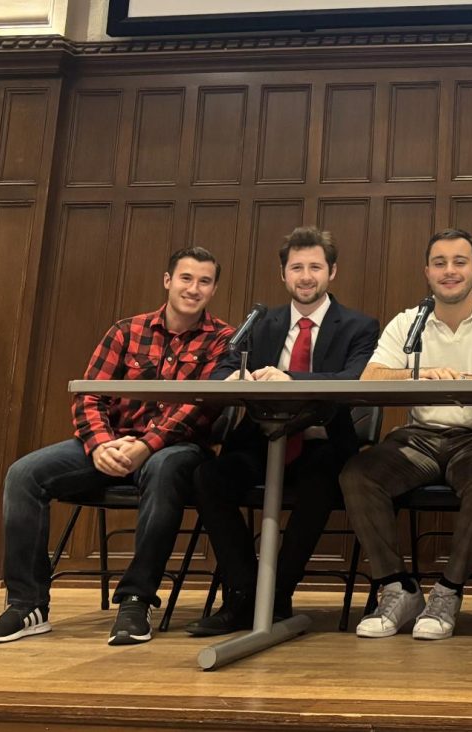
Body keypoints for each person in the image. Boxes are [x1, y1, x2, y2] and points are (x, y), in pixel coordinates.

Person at [0, 247, 232, 646]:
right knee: (24, 475)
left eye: (204, 281)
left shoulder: (223, 339)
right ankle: (27, 604)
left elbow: (200, 407)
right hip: (112, 442)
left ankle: (136, 599)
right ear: (168, 281)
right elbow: (89, 395)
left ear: (213, 289)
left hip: (175, 448)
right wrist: (100, 445)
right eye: (186, 278)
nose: (193, 288)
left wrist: (146, 445)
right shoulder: (126, 331)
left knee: (165, 469)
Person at [186, 226, 379, 636]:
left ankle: (277, 597)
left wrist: (288, 377)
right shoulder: (260, 322)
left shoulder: (359, 326)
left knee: (322, 481)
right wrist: (236, 377)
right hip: (259, 441)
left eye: (315, 267)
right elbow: (222, 370)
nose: (306, 277)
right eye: (296, 268)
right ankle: (243, 593)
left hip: (322, 443)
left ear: (332, 272)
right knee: (208, 477)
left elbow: (355, 378)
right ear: (283, 274)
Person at [340, 228, 472, 641]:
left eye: (459, 262)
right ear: (427, 272)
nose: (449, 271)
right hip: (419, 439)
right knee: (358, 473)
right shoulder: (408, 321)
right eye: (439, 263)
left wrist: (459, 380)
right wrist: (421, 374)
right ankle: (398, 589)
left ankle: (448, 592)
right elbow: (371, 377)